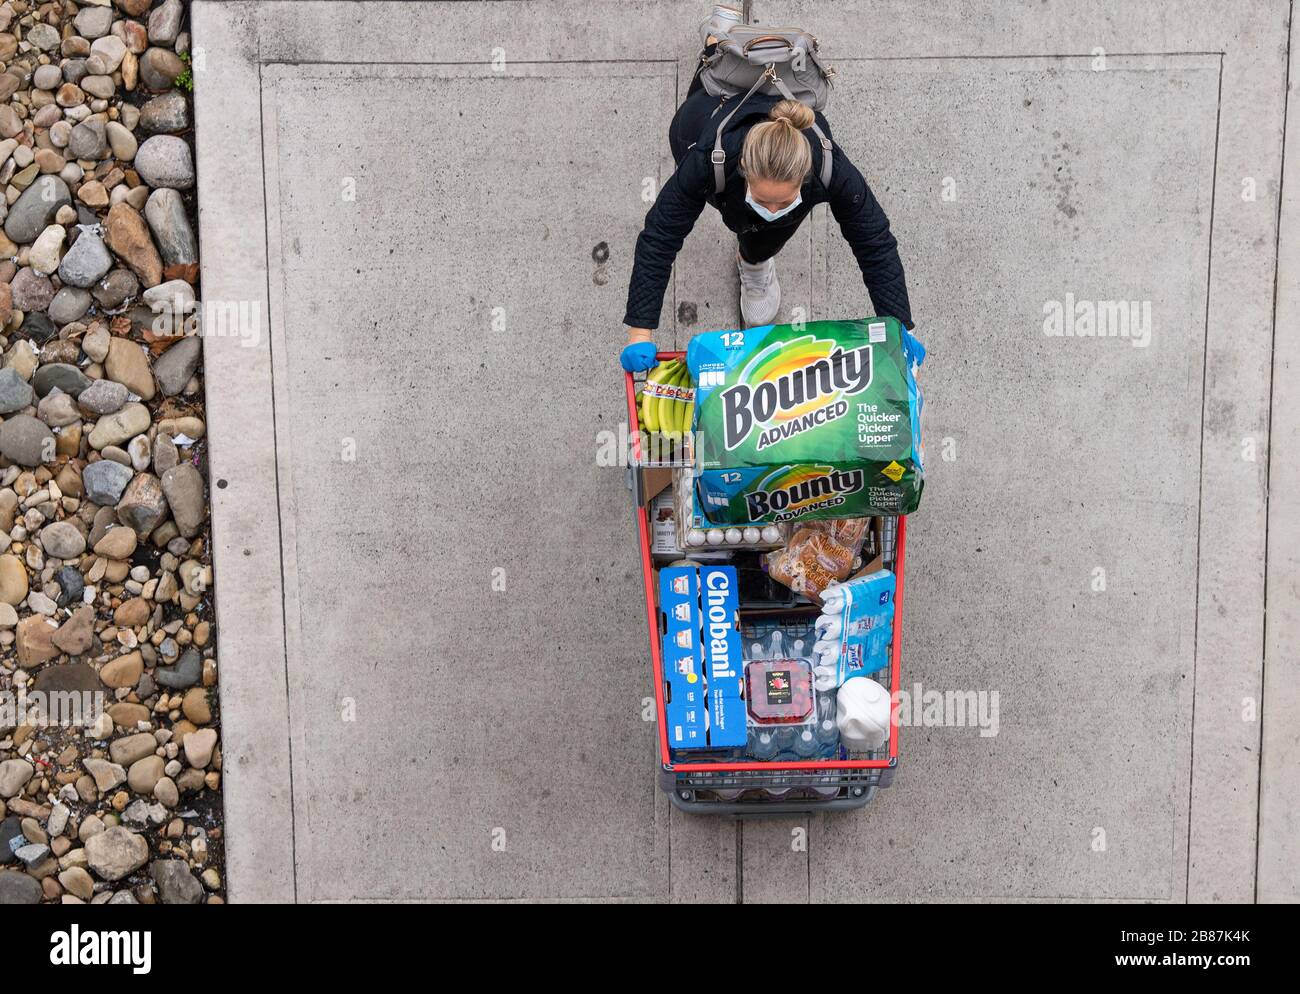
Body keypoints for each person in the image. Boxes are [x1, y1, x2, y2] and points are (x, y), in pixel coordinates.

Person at [620, 58, 914, 372]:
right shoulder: (707, 160)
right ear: (744, 170)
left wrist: (903, 328)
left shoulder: (831, 170)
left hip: (759, 169)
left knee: (765, 236)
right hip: (700, 122)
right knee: (704, 95)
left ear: (805, 179)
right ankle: (717, 55)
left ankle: (753, 259)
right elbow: (660, 237)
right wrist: (639, 331)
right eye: (762, 199)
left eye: (783, 201)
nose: (772, 210)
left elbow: (875, 244)